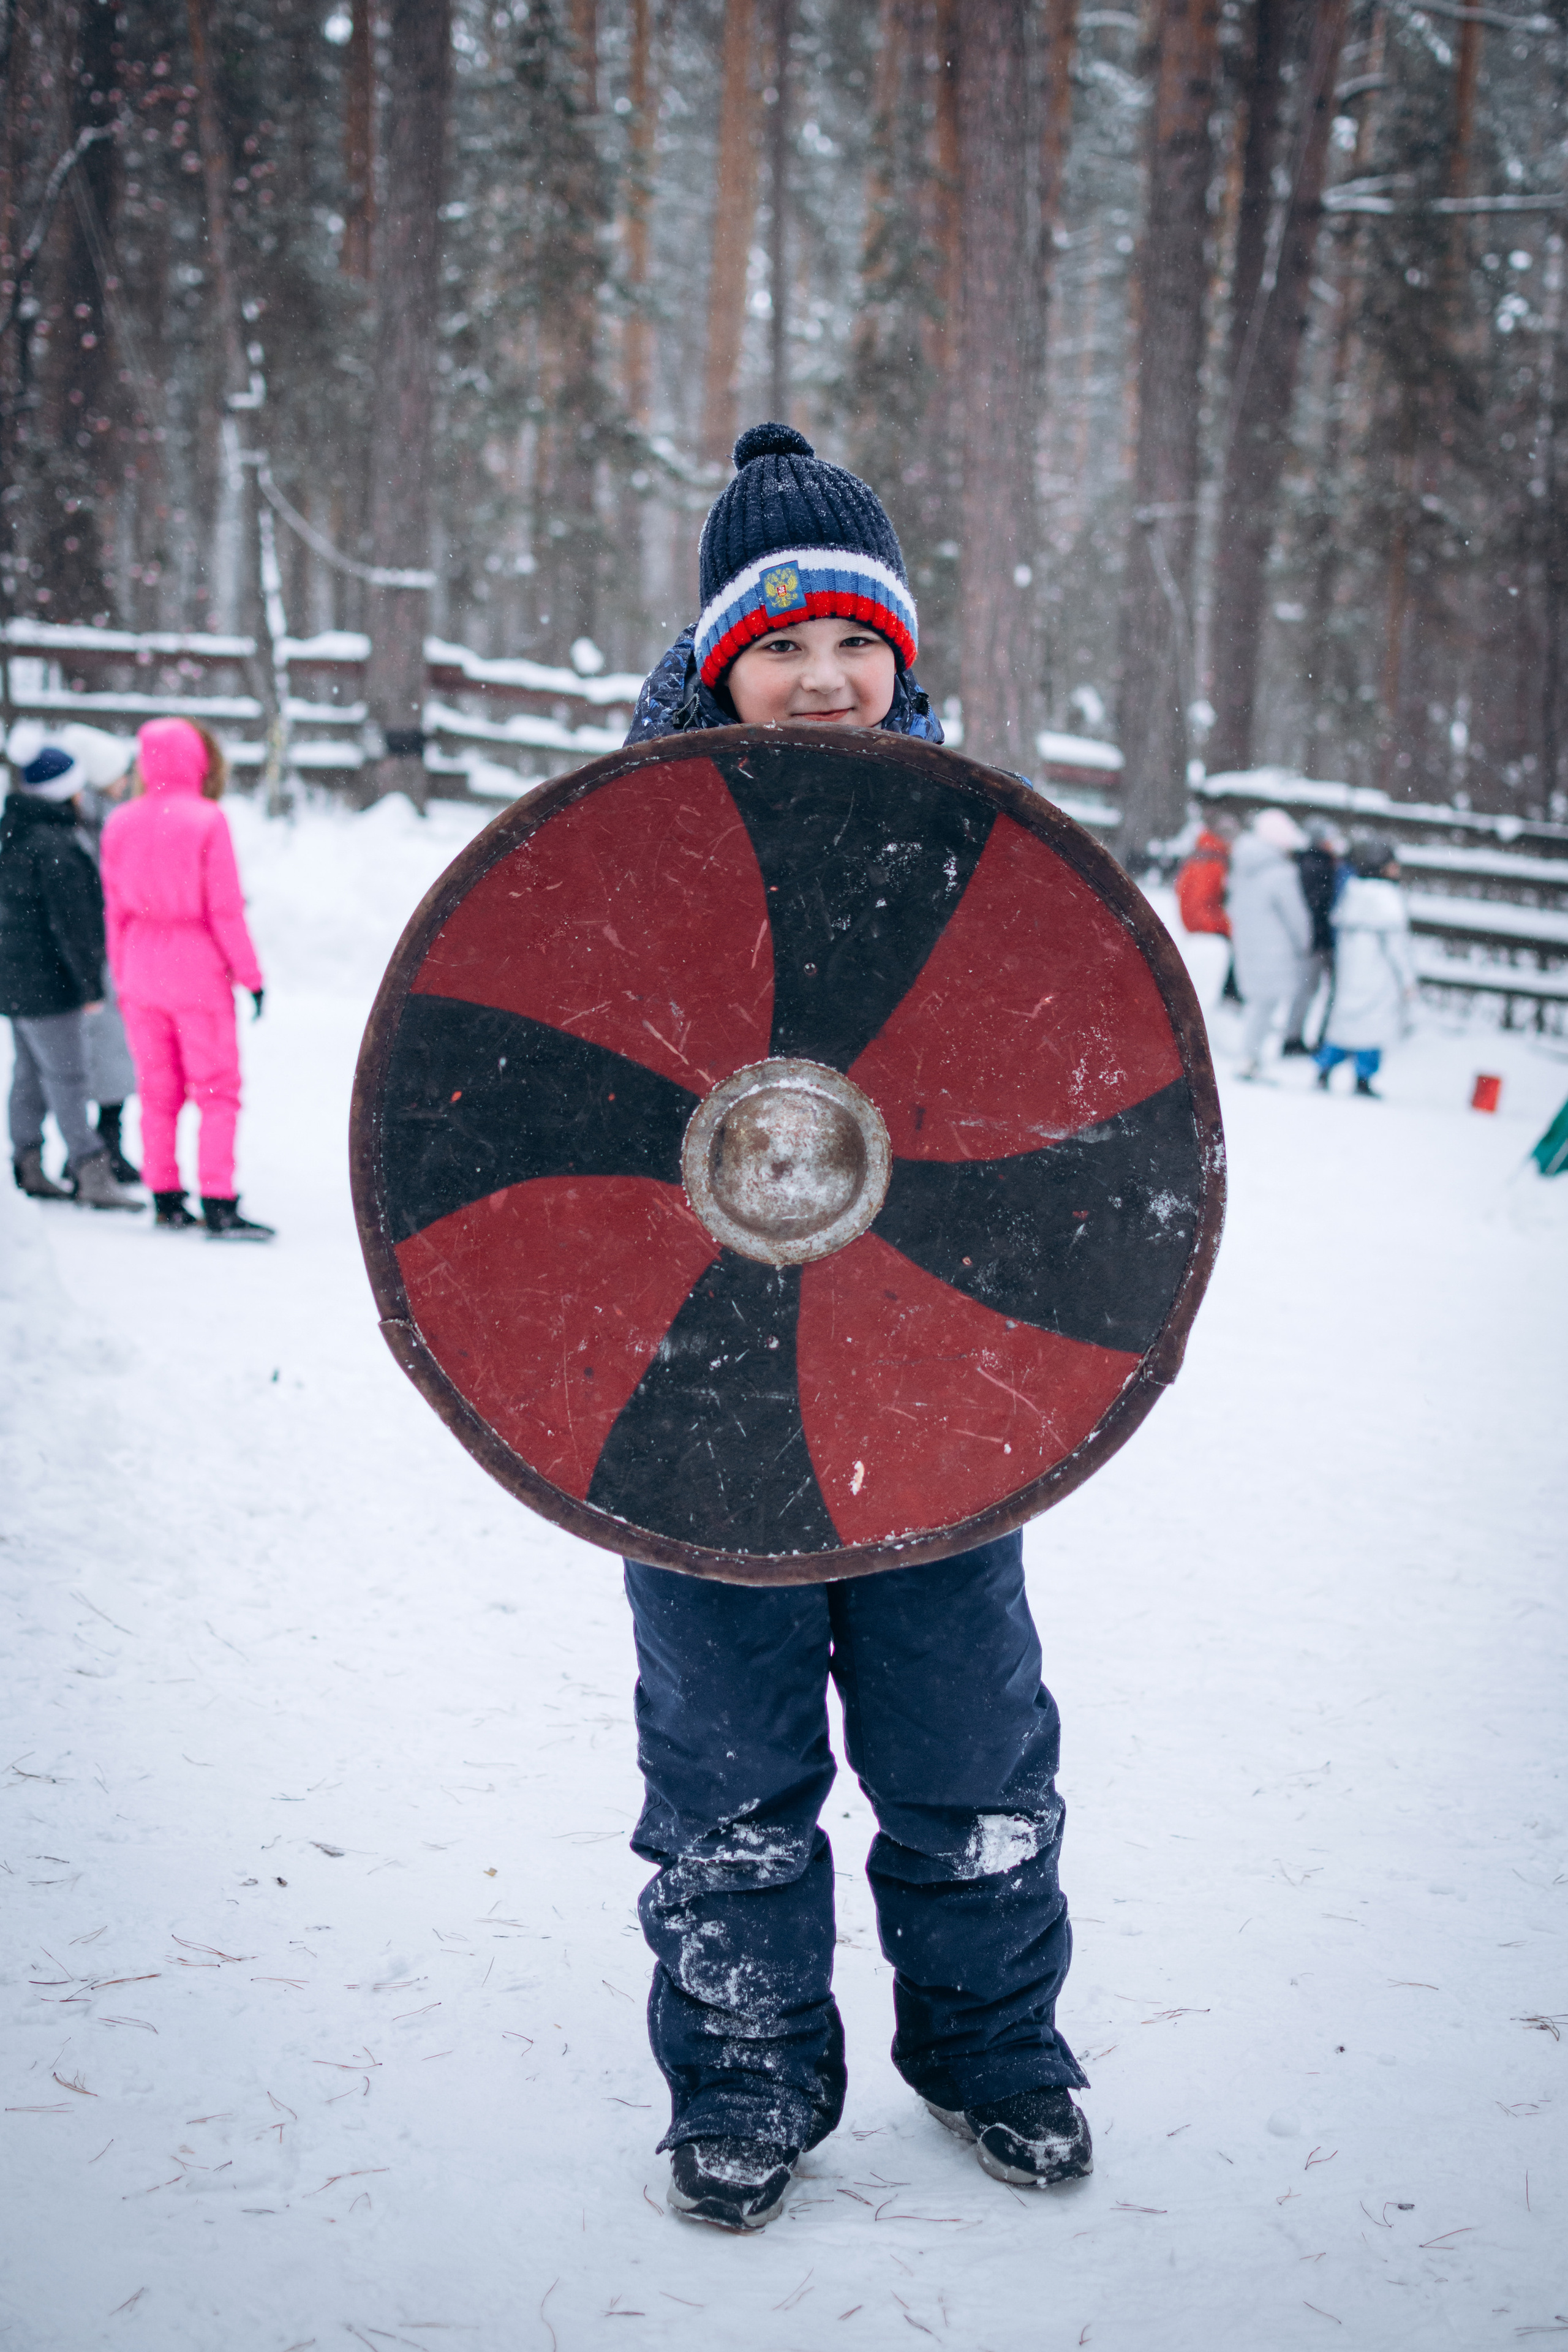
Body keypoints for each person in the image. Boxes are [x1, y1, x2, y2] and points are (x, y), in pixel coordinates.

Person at [618, 423, 1091, 2234]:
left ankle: (992, 2047)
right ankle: (742, 2076)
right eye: (781, 640)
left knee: (968, 1747)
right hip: (695, 1397)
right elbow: (533, 1115)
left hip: (926, 1385)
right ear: (721, 655)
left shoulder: (969, 847)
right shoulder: (631, 849)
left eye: (854, 641)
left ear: (901, 653)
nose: (821, 678)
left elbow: (1055, 1103)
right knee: (727, 1776)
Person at [100, 717, 275, 1240]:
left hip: (139, 969)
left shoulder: (119, 822)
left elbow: (114, 913)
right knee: (217, 1089)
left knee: (158, 1091)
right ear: (199, 760)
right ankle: (218, 1200)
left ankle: (165, 1195)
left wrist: (121, 972)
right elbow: (224, 910)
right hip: (195, 970)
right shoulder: (206, 820)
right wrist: (251, 976)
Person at [1, 724, 144, 1210]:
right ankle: (91, 1173)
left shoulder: (15, 831)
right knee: (68, 1077)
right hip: (50, 983)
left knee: (28, 1074)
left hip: (16, 981)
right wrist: (89, 987)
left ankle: (27, 1162)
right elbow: (76, 927)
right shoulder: (60, 846)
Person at [1314, 837, 1415, 1099]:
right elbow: (1398, 947)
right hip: (1378, 975)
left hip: (1351, 972)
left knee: (1344, 1023)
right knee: (1372, 1028)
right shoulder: (1389, 899)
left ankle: (1324, 1068)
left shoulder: (1353, 892)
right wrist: (1407, 981)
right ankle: (1364, 1076)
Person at [1224, 807, 1312, 1080]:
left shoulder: (1242, 866)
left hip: (1248, 945)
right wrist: (1305, 940)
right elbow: (1295, 914)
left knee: (1258, 1006)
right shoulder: (1280, 873)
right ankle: (1248, 1060)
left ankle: (1251, 1059)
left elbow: (1231, 906)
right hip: (1275, 949)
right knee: (1264, 1007)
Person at [1280, 820, 1344, 1057]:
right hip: (1317, 941)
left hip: (1318, 939)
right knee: (1309, 990)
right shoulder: (1318, 866)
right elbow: (1318, 907)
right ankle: (1296, 1039)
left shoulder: (1312, 863)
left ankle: (1298, 1037)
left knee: (1310, 990)